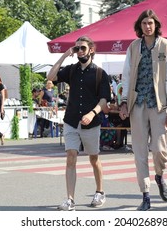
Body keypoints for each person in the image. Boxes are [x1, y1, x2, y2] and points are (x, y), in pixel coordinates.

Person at [119, 9, 167, 211]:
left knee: (159, 149)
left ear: (156, 25)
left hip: (160, 105)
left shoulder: (166, 46)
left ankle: (160, 177)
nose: (148, 26)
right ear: (140, 26)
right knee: (140, 151)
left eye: (151, 23)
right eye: (144, 23)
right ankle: (145, 194)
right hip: (138, 104)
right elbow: (126, 76)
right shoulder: (133, 47)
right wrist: (124, 101)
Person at [47, 35, 110, 211]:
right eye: (77, 48)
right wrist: (65, 55)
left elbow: (105, 100)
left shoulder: (100, 73)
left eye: (82, 48)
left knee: (94, 158)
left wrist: (92, 113)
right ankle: (70, 199)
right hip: (72, 120)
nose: (79, 51)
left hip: (91, 121)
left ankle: (100, 191)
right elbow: (51, 77)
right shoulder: (71, 69)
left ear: (91, 49)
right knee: (71, 156)